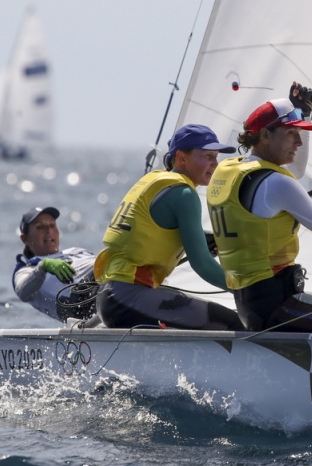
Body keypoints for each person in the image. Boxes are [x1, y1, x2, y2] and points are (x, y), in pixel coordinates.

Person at [207, 84, 312, 331]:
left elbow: (294, 170)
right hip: (278, 306)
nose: (298, 141)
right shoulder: (276, 183)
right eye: (290, 133)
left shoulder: (229, 169)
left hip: (251, 305)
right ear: (265, 135)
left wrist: (302, 114)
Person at [93, 124, 244, 331]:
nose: (214, 164)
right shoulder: (184, 194)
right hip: (128, 298)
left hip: (112, 297)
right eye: (207, 156)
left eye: (215, 157)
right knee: (230, 322)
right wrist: (245, 289)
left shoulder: (153, 180)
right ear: (182, 158)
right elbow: (202, 264)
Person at [13, 206, 98, 324]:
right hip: (79, 300)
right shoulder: (27, 270)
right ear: (25, 238)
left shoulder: (75, 251)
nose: (48, 231)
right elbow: (22, 292)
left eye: (52, 225)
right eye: (40, 227)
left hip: (109, 275)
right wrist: (43, 267)